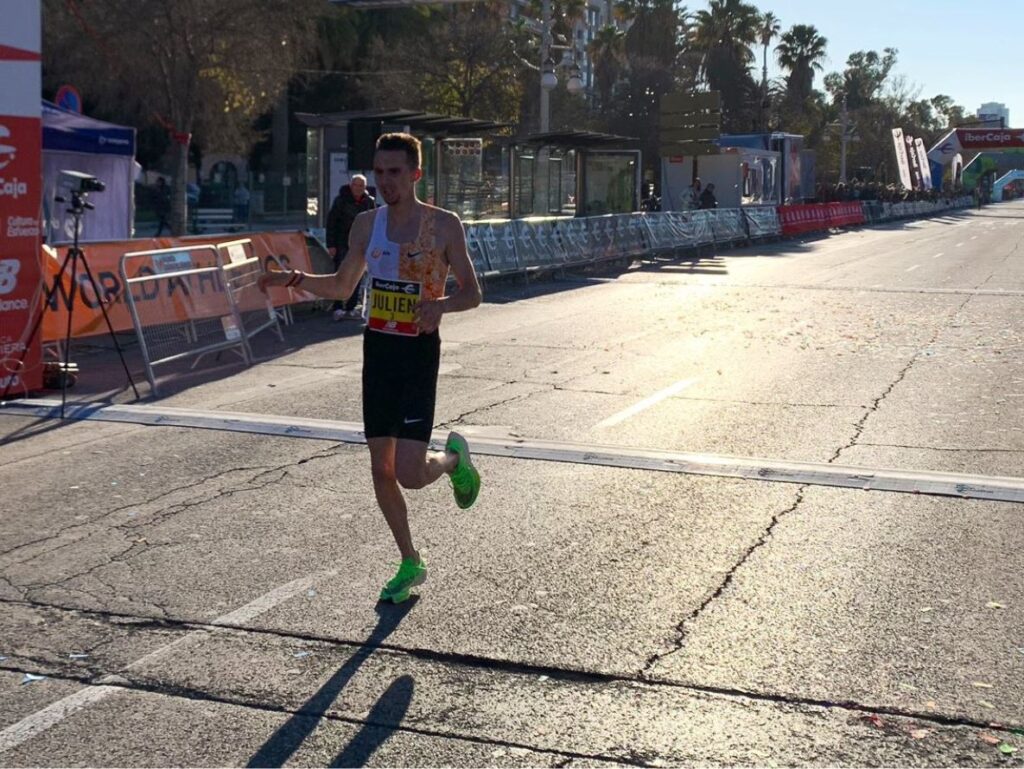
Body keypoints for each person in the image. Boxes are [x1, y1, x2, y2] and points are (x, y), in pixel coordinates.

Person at [259, 132, 482, 604]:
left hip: (418, 354)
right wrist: (292, 280)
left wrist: (439, 306)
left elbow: (472, 292)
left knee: (410, 473)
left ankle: (454, 460)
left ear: (416, 174)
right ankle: (409, 561)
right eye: (379, 172)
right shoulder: (365, 225)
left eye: (395, 172)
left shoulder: (444, 226)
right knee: (380, 469)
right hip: (377, 352)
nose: (385, 181)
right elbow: (342, 286)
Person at [326, 174, 376, 320]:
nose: (358, 188)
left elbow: (373, 224)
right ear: (351, 185)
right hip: (342, 242)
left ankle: (351, 307)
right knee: (340, 274)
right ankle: (338, 307)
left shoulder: (369, 202)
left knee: (357, 275)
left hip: (361, 245)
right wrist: (331, 244)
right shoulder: (341, 200)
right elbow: (331, 223)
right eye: (356, 185)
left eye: (362, 186)